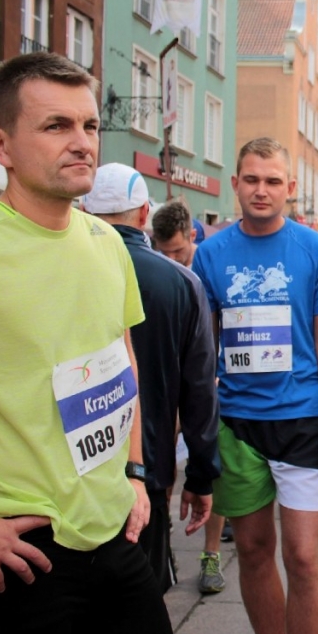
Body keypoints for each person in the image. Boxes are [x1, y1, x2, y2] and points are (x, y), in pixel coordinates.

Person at [0, 52, 174, 634]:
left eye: (89, 125)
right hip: (21, 549)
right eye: (56, 126)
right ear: (2, 146)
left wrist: (136, 473)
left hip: (115, 532)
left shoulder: (106, 242)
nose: (82, 142)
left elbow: (123, 360)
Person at [192, 137, 318, 634]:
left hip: (303, 423)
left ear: (290, 188)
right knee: (254, 550)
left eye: (273, 181)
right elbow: (201, 350)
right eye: (252, 180)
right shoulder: (209, 255)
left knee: (303, 556)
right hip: (237, 424)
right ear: (235, 184)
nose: (261, 190)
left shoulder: (314, 250)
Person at [83, 163, 220, 594]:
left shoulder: (59, 271)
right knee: (142, 599)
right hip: (148, 472)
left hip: (70, 473)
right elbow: (200, 391)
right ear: (145, 214)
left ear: (84, 210)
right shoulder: (181, 282)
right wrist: (201, 475)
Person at [150, 197, 231, 594]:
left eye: (178, 251)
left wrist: (216, 374)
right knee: (163, 461)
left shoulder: (208, 267)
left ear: (192, 236)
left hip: (209, 381)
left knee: (210, 468)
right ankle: (161, 537)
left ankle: (211, 554)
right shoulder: (155, 272)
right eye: (163, 252)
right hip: (171, 382)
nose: (171, 259)